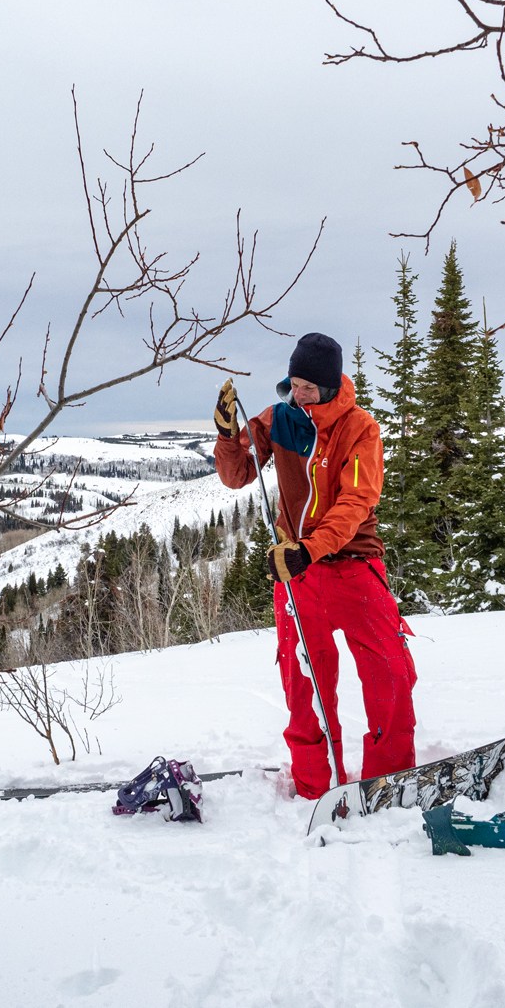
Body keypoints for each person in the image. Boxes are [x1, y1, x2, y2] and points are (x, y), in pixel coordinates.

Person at [212, 332, 417, 799]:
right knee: (303, 681)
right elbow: (237, 475)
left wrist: (313, 546)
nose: (297, 393)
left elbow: (357, 499)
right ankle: (314, 784)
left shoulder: (359, 428)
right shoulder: (277, 418)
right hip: (295, 569)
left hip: (352, 562)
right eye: (293, 383)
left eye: (307, 387)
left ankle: (390, 780)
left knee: (389, 672)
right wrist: (228, 436)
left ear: (328, 386)